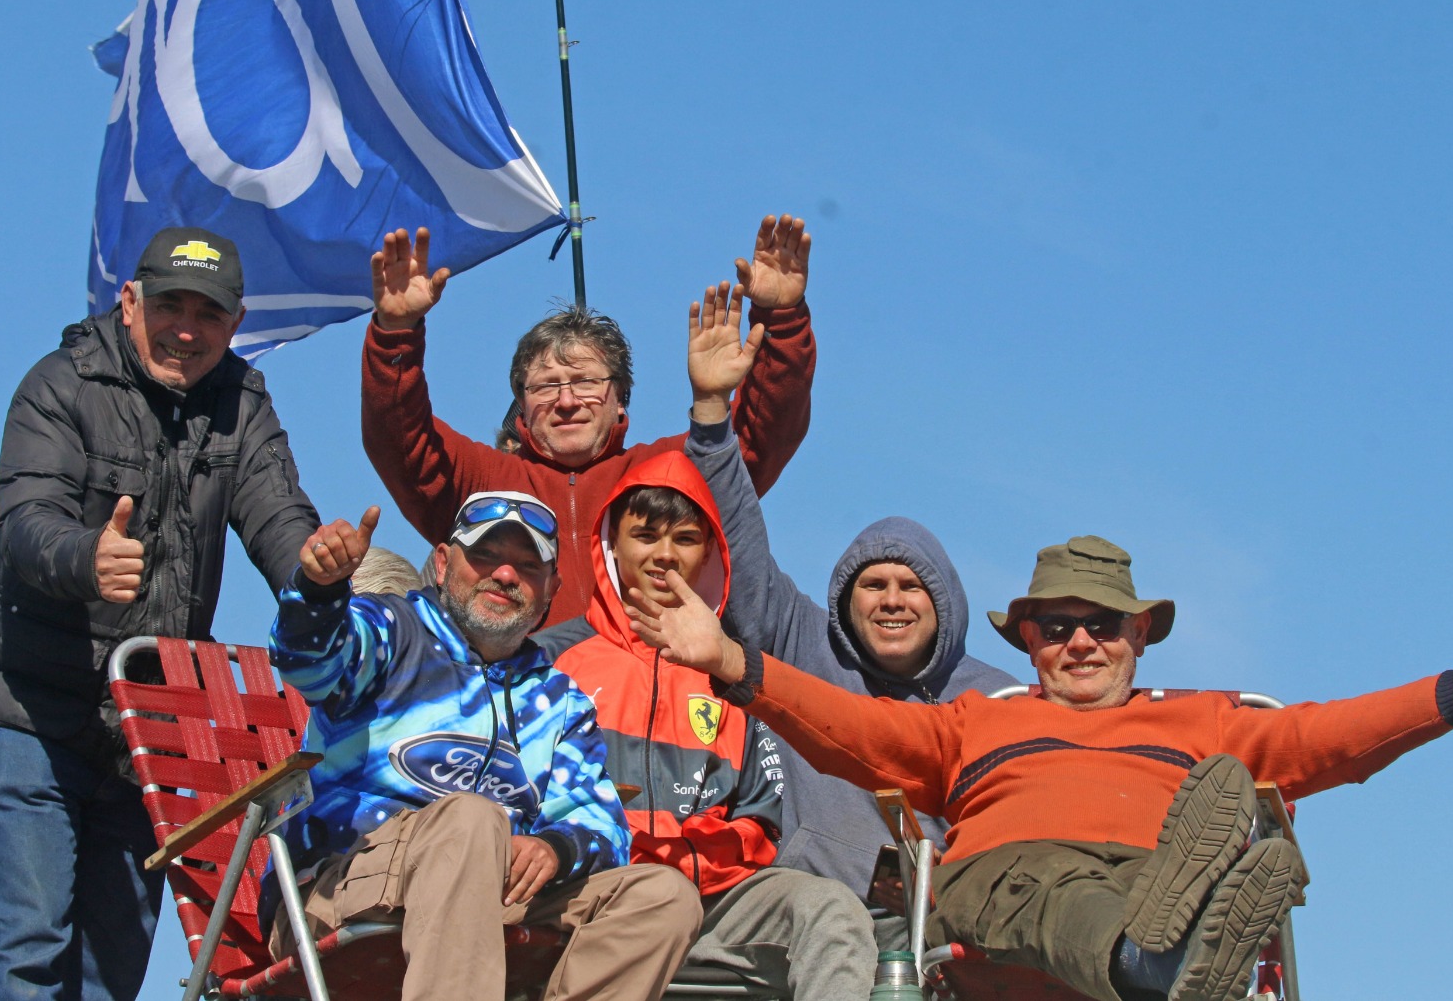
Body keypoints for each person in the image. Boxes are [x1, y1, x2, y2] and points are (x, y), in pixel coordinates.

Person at [631, 535, 1453, 1001]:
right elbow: (859, 731)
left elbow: (1329, 739)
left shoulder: (1207, 719)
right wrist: (735, 665)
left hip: (1155, 866)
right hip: (1009, 885)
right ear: (1029, 641)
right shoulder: (979, 722)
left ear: (1139, 637)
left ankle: (1175, 925)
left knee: (1216, 811)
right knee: (1038, 875)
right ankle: (1157, 956)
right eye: (1056, 626)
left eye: (1102, 624)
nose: (1080, 641)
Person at [0, 227, 321, 1001]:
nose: (186, 328)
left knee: (112, 971)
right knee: (28, 950)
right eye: (170, 304)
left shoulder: (244, 402)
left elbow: (281, 522)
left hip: (147, 732)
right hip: (32, 717)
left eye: (207, 313)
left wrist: (324, 575)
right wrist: (85, 560)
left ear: (234, 324)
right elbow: (20, 524)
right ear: (129, 302)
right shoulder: (59, 384)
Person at [266, 492, 702, 1001]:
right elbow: (307, 662)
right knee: (472, 819)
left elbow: (600, 821)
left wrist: (555, 848)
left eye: (526, 565)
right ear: (443, 562)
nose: (505, 576)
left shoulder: (558, 700)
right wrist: (318, 590)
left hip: (492, 892)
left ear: (550, 590)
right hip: (342, 883)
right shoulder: (389, 632)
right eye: (486, 556)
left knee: (664, 896)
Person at [678, 342, 1015, 948]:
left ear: (944, 604)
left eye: (912, 587)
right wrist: (710, 413)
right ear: (845, 599)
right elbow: (739, 538)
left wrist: (936, 883)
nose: (891, 600)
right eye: (873, 585)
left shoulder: (993, 698)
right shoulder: (800, 642)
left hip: (931, 930)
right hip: (800, 921)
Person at [361, 213, 816, 628]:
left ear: (621, 398)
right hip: (523, 705)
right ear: (521, 402)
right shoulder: (482, 479)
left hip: (655, 701)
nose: (566, 401)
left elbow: (764, 431)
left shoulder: (670, 470)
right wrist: (395, 333)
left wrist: (782, 320)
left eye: (584, 381)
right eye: (545, 386)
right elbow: (398, 437)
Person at [538, 446, 877, 1001]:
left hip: (714, 899)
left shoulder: (734, 669)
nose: (664, 556)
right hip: (589, 893)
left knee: (831, 908)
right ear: (612, 546)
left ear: (710, 553)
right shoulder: (554, 658)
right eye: (645, 536)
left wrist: (691, 856)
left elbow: (760, 817)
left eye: (686, 539)